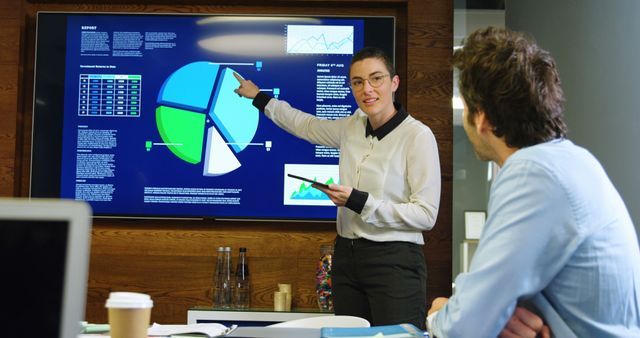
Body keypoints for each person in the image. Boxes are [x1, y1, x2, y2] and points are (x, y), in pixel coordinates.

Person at [427, 26, 640, 338]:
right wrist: (502, 316)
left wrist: (440, 313)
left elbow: (464, 328)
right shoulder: (571, 160)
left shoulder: (533, 173)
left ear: (481, 117)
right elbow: (491, 307)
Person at [234, 46, 441, 329]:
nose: (367, 89)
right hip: (346, 258)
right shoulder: (352, 126)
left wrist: (359, 201)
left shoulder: (417, 136)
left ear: (394, 83)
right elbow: (305, 125)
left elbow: (426, 215)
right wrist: (259, 97)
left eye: (376, 79)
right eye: (358, 82)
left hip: (395, 261)